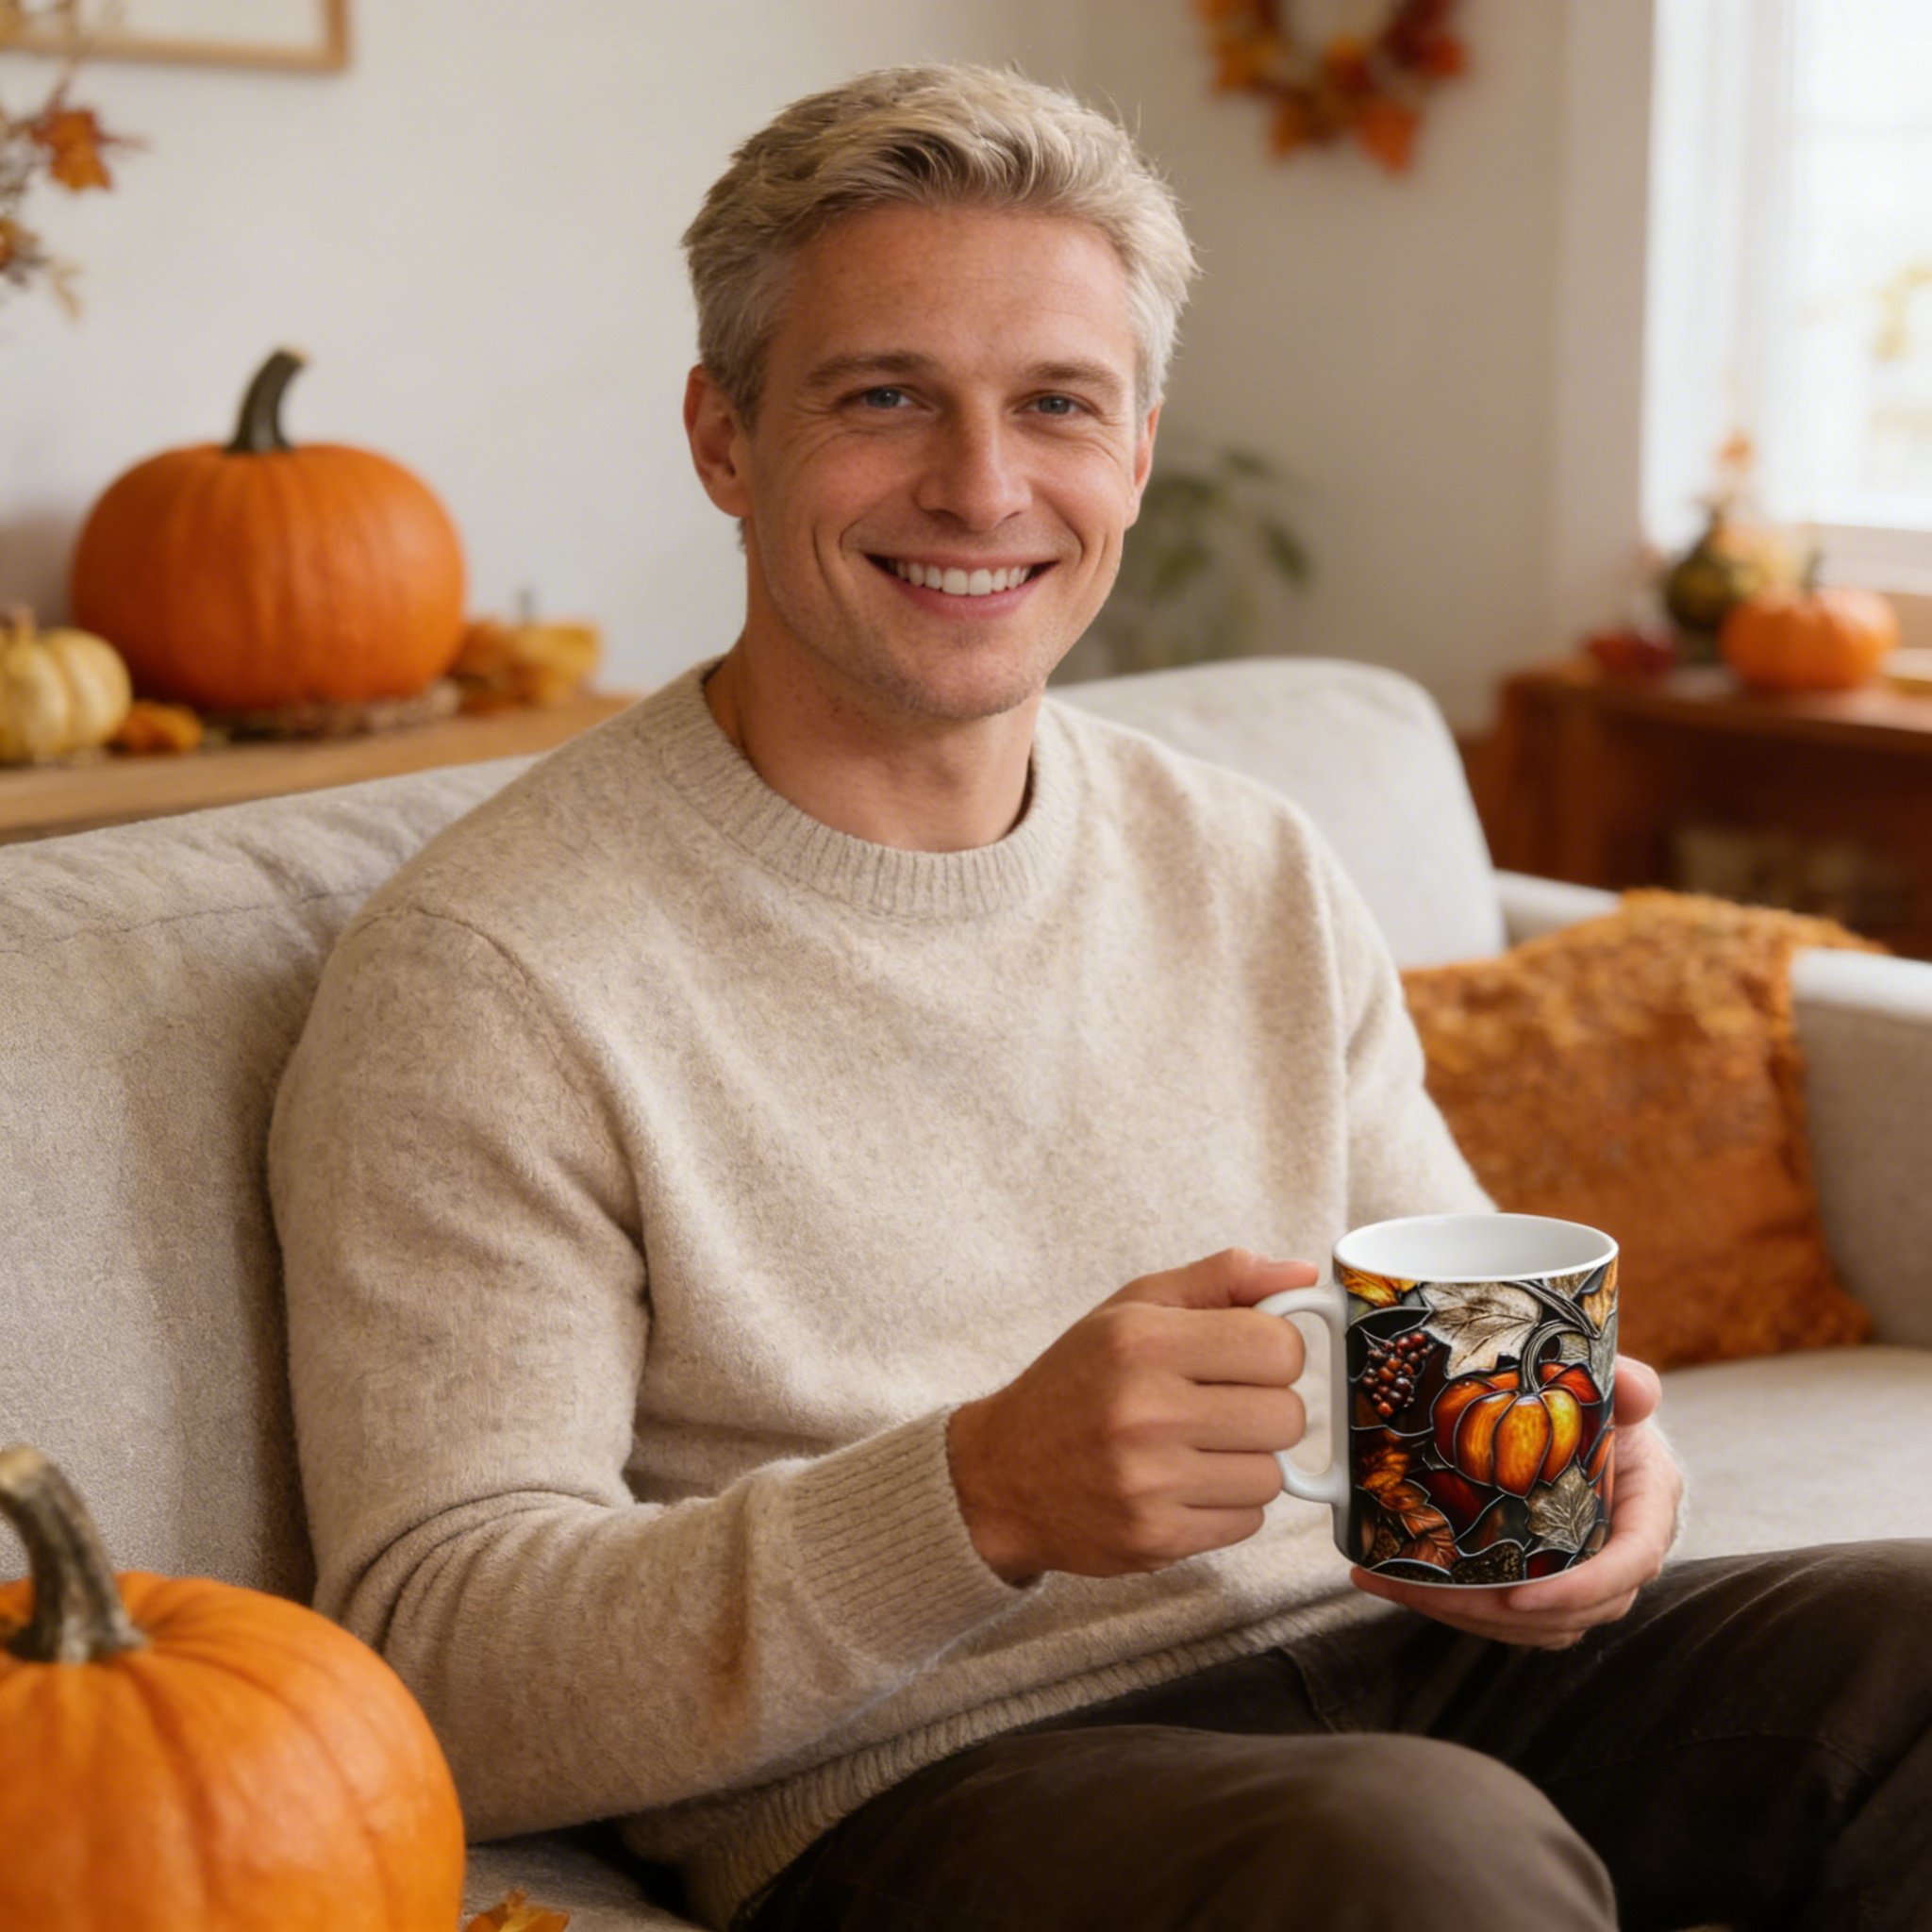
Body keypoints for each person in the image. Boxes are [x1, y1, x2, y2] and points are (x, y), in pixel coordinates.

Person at [270, 63, 1931, 1932]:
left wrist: (1602, 1500)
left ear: (1133, 448)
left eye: (1054, 404)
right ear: (723, 440)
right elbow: (436, 1667)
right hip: (920, 1776)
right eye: (882, 396)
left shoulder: (1254, 865)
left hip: (1400, 1665)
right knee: (1409, 1853)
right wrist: (973, 1496)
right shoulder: (492, 974)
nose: (982, 487)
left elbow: (1444, 1359)